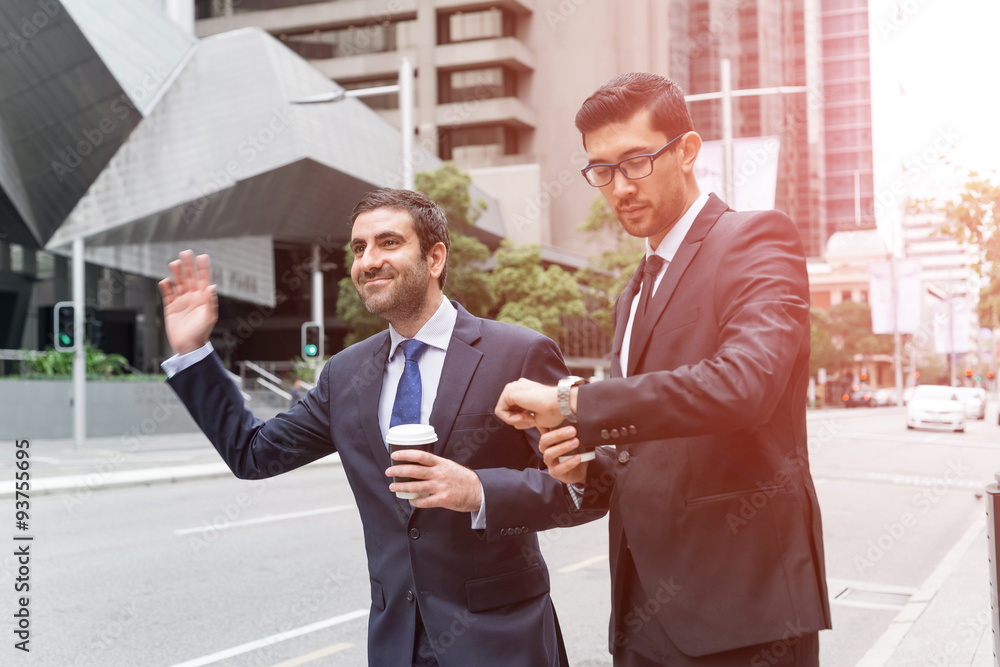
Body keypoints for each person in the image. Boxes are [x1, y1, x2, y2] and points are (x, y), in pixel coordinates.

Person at [158, 188, 599, 667]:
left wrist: (477, 491)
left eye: (388, 243)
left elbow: (584, 490)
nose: (368, 261)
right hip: (397, 645)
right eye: (359, 248)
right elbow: (253, 453)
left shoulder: (519, 354)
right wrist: (193, 354)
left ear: (435, 258)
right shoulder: (345, 375)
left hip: (503, 641)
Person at [494, 72, 831, 666]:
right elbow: (643, 447)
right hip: (642, 611)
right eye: (602, 169)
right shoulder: (632, 293)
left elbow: (744, 386)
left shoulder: (756, 239)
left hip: (744, 611)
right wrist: (583, 467)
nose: (619, 186)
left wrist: (578, 403)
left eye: (637, 161)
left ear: (687, 151)